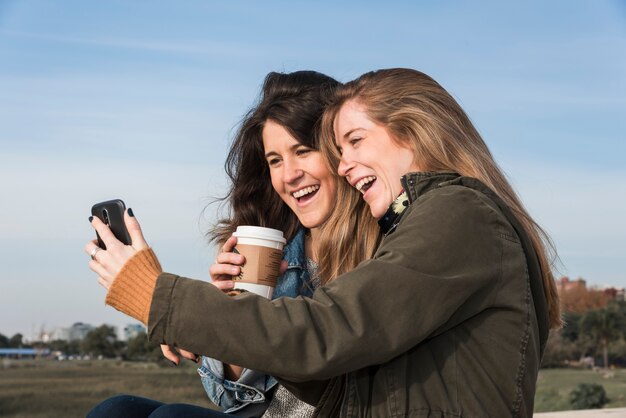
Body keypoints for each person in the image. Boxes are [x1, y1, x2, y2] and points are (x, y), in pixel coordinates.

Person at [87, 68, 561, 417]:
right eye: (274, 159)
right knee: (119, 411)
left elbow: (329, 334)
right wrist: (217, 323)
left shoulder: (456, 216)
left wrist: (157, 296)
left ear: (414, 131)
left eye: (352, 142)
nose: (344, 164)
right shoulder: (434, 220)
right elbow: (321, 371)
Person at [85, 71, 379, 418]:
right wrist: (230, 308)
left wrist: (185, 312)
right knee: (115, 410)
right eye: (275, 161)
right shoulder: (281, 255)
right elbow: (234, 397)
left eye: (303, 151)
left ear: (340, 153)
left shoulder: (386, 250)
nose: (289, 175)